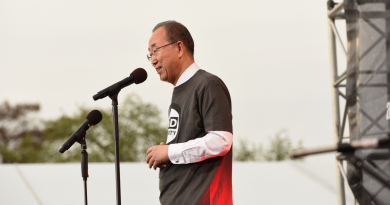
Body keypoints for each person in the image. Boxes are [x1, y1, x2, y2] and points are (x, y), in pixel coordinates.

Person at [146, 20, 233, 205]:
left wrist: (170, 152)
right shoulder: (180, 92)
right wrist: (168, 155)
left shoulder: (208, 84)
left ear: (179, 48)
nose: (153, 60)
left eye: (156, 50)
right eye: (150, 54)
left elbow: (221, 140)